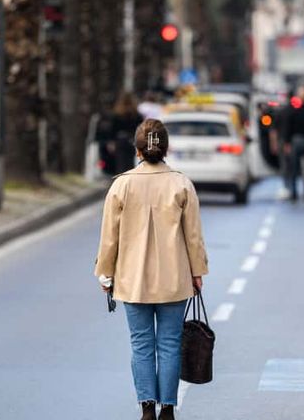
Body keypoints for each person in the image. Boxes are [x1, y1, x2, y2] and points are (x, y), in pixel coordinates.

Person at [95, 119, 208, 420]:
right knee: (170, 344)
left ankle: (147, 407)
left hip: (133, 281)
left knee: (141, 343)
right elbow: (193, 237)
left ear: (137, 149)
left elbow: (110, 239)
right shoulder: (182, 184)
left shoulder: (121, 185)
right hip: (174, 279)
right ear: (167, 148)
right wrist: (197, 272)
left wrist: (105, 274)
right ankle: (168, 409)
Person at [108, 92, 144, 174]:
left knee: (120, 163)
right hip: (131, 140)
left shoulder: (117, 115)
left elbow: (112, 129)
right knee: (130, 163)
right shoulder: (136, 115)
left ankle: (121, 181)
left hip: (120, 141)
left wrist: (111, 142)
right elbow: (140, 129)